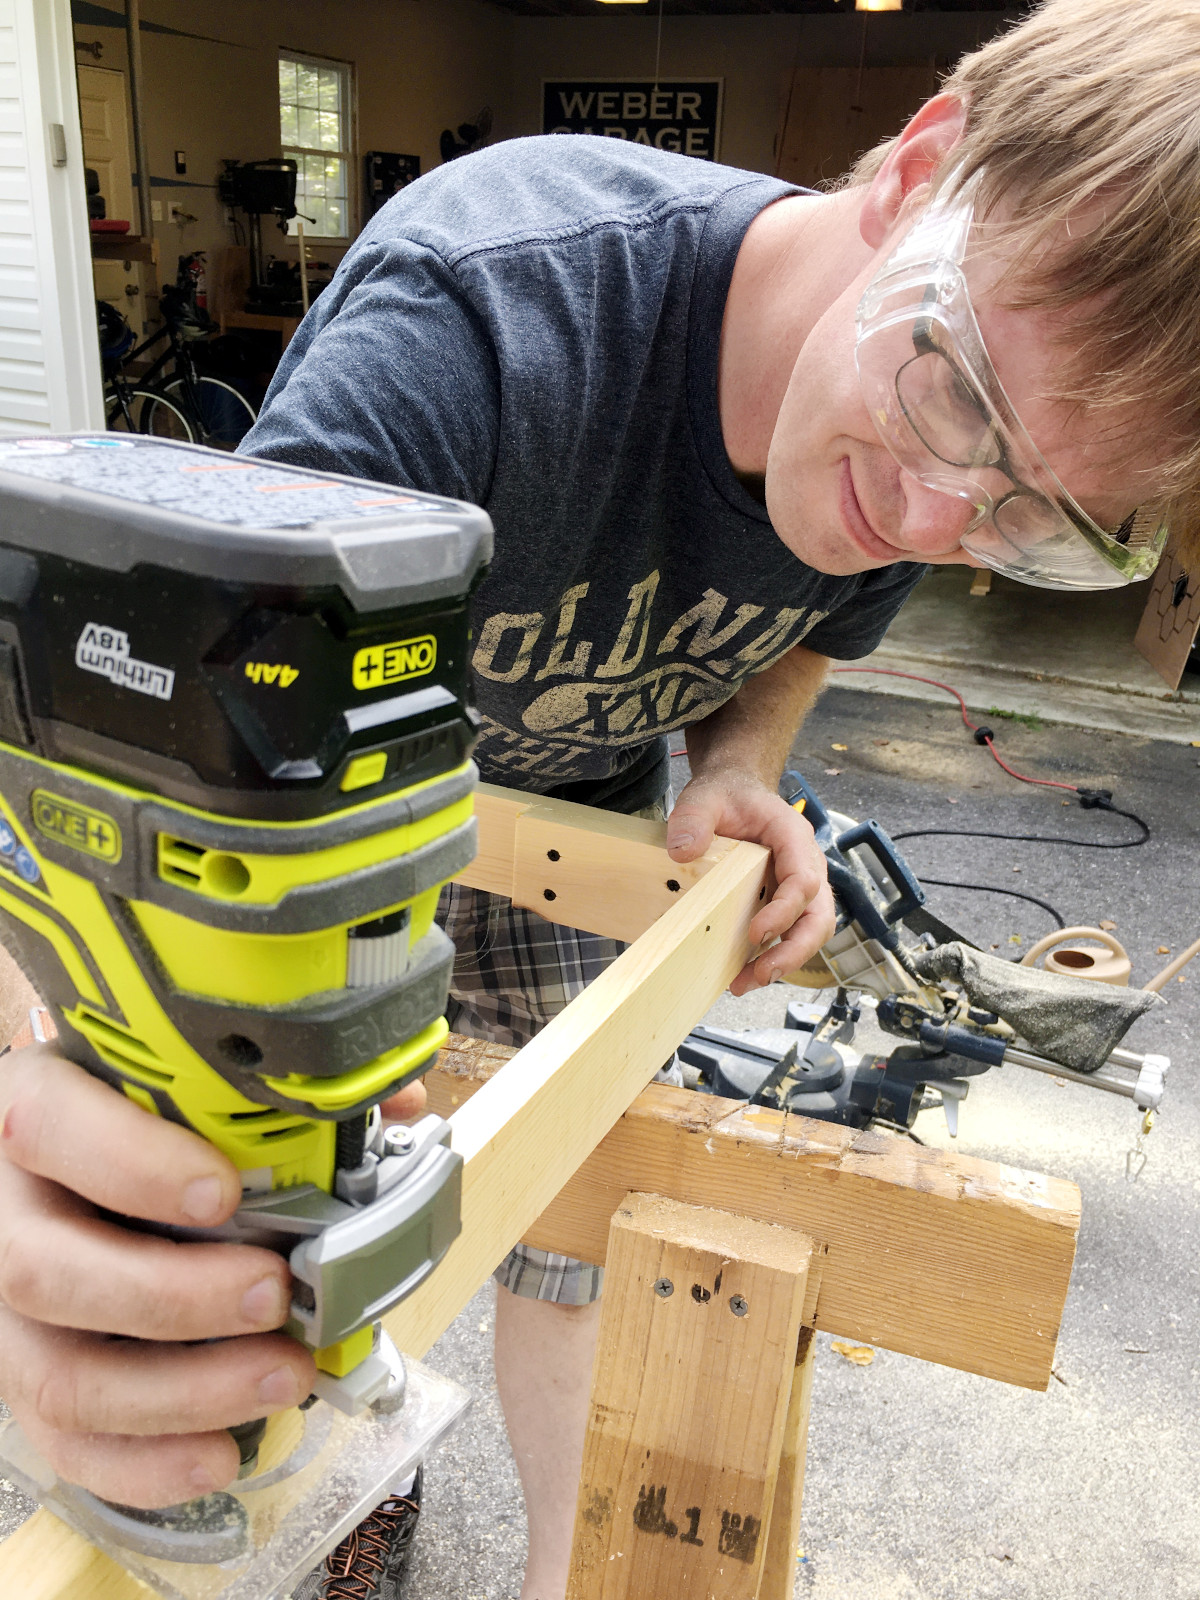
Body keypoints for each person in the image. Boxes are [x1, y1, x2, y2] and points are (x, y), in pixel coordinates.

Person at [1, 1, 1196, 1596]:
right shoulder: (485, 323)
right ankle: (330, 1470)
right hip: (315, 839)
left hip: (582, 807)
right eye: (958, 401)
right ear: (921, 176)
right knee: (234, 1232)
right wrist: (32, 1081)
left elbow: (817, 626)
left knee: (566, 1211)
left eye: (1029, 516)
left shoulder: (928, 454)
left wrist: (736, 769)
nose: (932, 519)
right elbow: (138, 750)